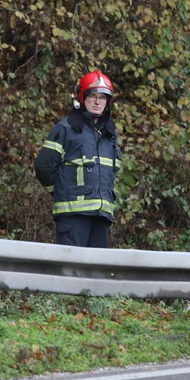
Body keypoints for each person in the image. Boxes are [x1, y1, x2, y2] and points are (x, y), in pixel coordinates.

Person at [34, 70, 121, 248]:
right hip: (73, 217)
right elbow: (43, 167)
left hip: (102, 217)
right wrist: (60, 191)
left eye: (102, 97)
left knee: (98, 267)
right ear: (82, 97)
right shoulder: (66, 128)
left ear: (108, 101)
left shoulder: (110, 134)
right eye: (92, 96)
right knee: (70, 265)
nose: (97, 102)